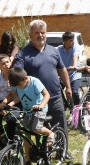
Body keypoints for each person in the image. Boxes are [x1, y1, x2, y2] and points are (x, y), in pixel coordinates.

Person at [13, 20, 72, 157]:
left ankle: (62, 151)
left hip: (55, 95)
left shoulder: (53, 51)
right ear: (30, 35)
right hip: (35, 100)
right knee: (36, 127)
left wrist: (68, 87)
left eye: (43, 32)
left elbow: (62, 70)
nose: (40, 35)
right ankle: (39, 152)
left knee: (60, 124)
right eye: (37, 33)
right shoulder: (23, 54)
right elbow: (17, 72)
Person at [8, 67, 54, 164]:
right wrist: (10, 104)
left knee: (36, 128)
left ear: (25, 78)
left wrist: (40, 106)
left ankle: (50, 133)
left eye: (20, 85)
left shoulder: (35, 82)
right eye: (17, 86)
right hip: (27, 111)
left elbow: (47, 95)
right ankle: (27, 158)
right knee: (25, 134)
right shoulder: (17, 84)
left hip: (40, 109)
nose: (19, 87)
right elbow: (18, 97)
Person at [0, 53, 18, 141]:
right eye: (3, 64)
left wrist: (4, 104)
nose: (6, 65)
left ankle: (11, 141)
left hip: (14, 101)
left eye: (8, 62)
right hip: (0, 102)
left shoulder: (16, 75)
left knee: (11, 120)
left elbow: (14, 94)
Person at [57, 31, 82, 106]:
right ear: (64, 41)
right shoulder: (59, 49)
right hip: (64, 74)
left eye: (73, 40)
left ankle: (77, 109)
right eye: (71, 40)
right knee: (57, 90)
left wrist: (74, 66)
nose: (73, 42)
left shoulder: (75, 48)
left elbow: (75, 56)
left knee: (75, 92)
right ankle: (65, 105)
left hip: (75, 73)